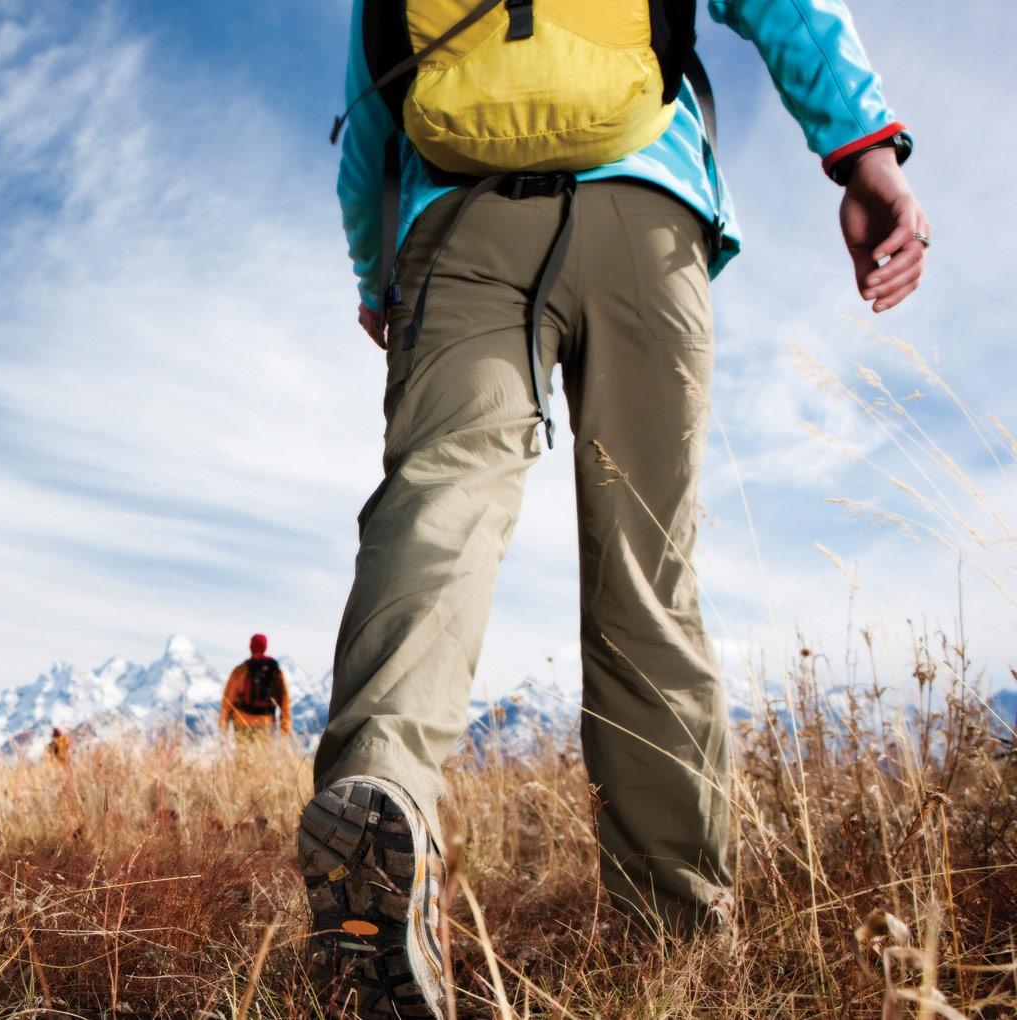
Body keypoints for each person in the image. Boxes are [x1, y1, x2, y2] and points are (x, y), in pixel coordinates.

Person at [300, 1, 929, 1015]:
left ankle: (380, 790)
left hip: (459, 226)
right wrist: (866, 153)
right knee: (648, 571)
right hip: (648, 210)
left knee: (438, 505)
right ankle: (676, 932)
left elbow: (370, 107)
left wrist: (381, 277)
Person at [221, 634, 292, 736]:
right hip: (265, 723)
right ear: (265, 647)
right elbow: (285, 699)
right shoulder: (275, 671)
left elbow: (228, 700)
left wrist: (223, 725)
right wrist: (285, 727)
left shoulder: (241, 670)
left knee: (243, 747)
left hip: (241, 722)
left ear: (250, 647)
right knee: (262, 747)